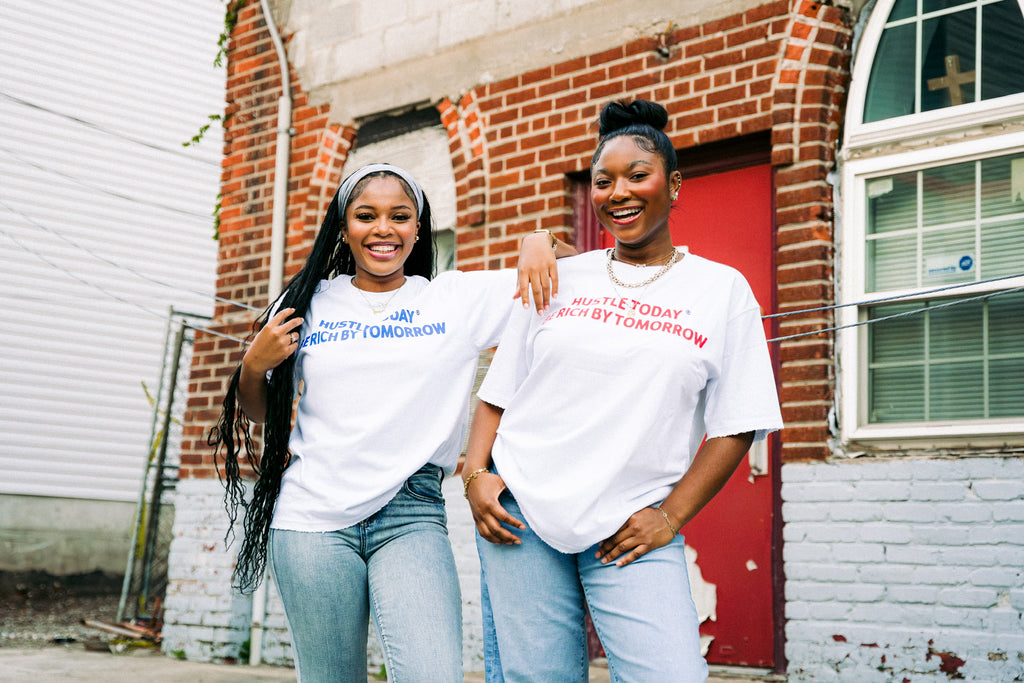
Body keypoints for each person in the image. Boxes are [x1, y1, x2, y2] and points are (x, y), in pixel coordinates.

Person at [209, 162, 575, 683]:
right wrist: (253, 365)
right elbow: (263, 415)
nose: (384, 229)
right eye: (366, 216)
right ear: (343, 228)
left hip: (411, 513)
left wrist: (540, 240)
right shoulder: (308, 304)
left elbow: (583, 268)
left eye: (399, 216)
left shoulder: (452, 298)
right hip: (313, 521)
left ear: (418, 228)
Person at [463, 100, 784, 682]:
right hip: (523, 516)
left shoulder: (721, 290)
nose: (619, 193)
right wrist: (474, 476)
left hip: (631, 527)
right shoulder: (560, 276)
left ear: (674, 184)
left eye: (639, 175)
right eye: (603, 181)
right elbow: (499, 391)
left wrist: (670, 515)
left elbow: (739, 422)